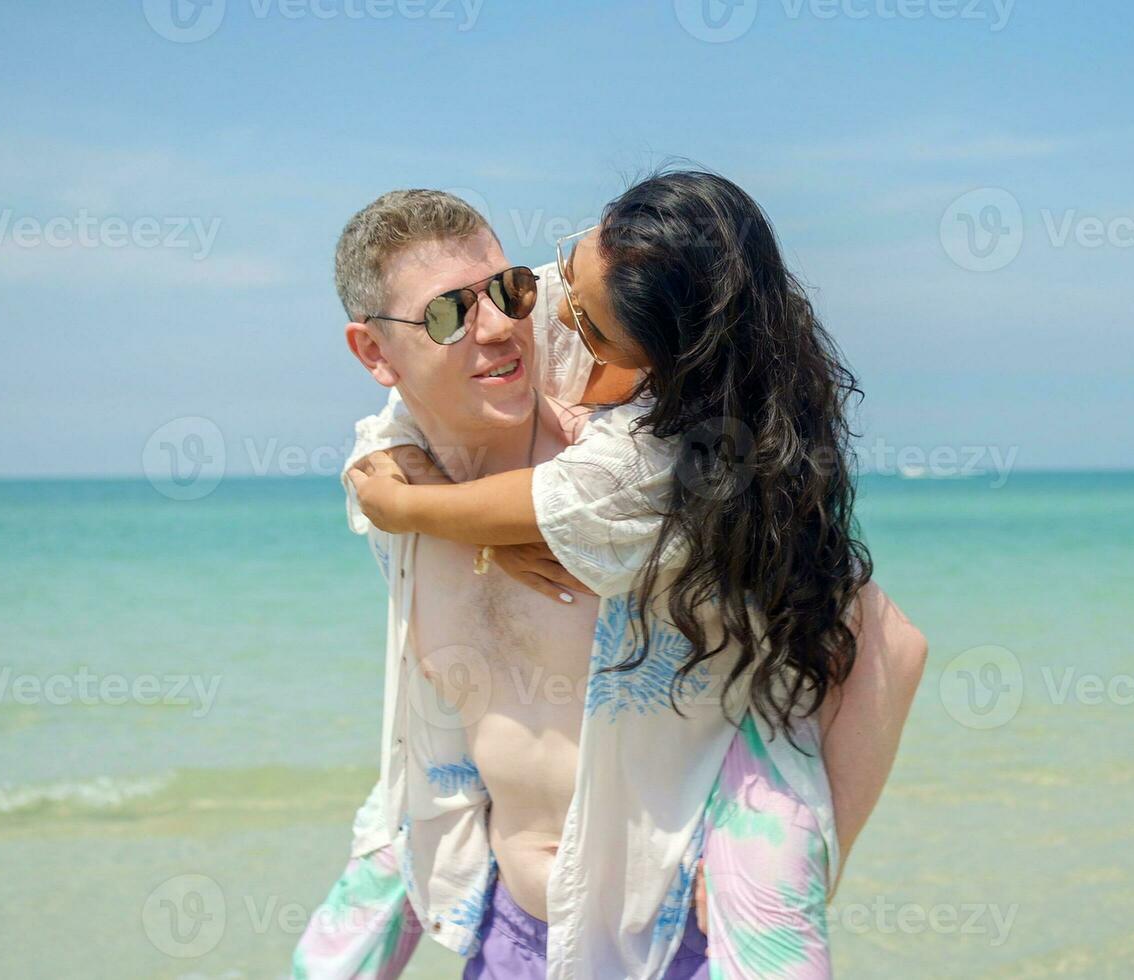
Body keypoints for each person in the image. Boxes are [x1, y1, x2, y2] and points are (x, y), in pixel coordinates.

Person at [296, 181, 926, 979]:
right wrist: (406, 497)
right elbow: (422, 762)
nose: (505, 325)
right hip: (513, 940)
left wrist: (787, 870)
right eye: (449, 315)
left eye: (507, 291)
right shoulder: (402, 498)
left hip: (680, 941)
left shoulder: (644, 487)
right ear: (374, 354)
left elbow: (887, 644)